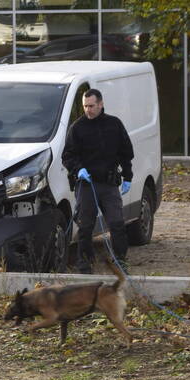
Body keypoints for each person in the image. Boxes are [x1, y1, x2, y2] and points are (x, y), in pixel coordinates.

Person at [61, 88, 134, 271]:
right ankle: (84, 262)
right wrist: (78, 169)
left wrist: (128, 176)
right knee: (85, 227)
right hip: (87, 184)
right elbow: (68, 156)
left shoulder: (114, 124)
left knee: (117, 223)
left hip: (109, 184)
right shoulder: (77, 128)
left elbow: (126, 153)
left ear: (100, 104)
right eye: (85, 106)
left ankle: (120, 260)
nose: (88, 110)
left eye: (92, 106)